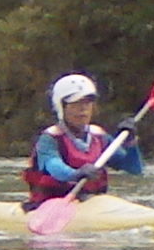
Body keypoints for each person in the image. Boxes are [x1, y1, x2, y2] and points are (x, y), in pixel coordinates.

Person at [22, 71, 146, 206]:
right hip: (51, 202)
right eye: (76, 104)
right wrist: (76, 174)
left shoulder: (99, 137)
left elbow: (134, 168)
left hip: (91, 202)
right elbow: (54, 167)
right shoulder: (49, 139)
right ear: (61, 107)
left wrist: (130, 143)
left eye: (87, 103)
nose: (83, 109)